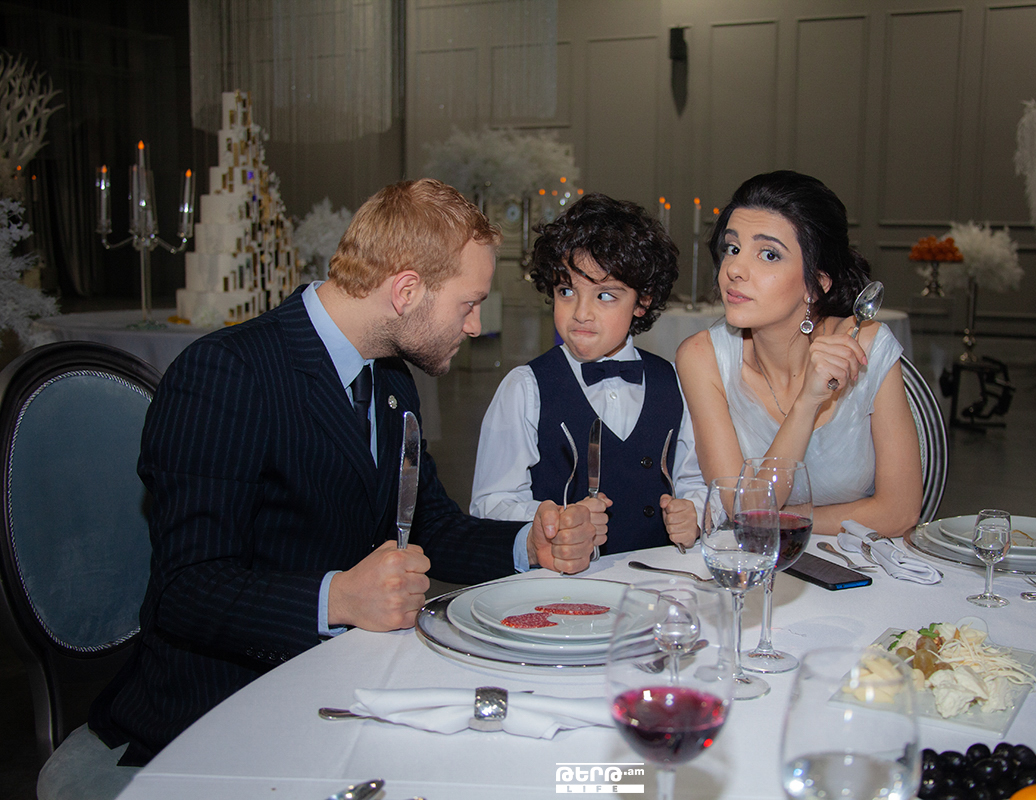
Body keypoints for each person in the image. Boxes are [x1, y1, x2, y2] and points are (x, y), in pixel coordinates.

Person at [87, 179, 607, 766]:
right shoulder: (226, 374)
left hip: (344, 682)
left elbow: (428, 525)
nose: (473, 325)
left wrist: (529, 543)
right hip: (224, 711)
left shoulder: (389, 376)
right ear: (406, 290)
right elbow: (184, 591)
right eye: (469, 303)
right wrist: (337, 598)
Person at [675, 171, 922, 537]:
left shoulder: (866, 345)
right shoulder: (703, 357)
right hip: (757, 561)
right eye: (732, 248)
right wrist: (807, 403)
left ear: (816, 283)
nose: (735, 269)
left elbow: (900, 512)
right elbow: (745, 509)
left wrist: (786, 521)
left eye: (769, 254)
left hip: (860, 565)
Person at [470, 193, 705, 555]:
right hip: (563, 580)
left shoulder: (675, 382)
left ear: (642, 301)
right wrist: (557, 520)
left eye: (605, 296)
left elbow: (696, 481)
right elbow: (490, 504)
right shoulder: (526, 388)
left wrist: (695, 513)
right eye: (567, 291)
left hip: (656, 576)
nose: (581, 313)